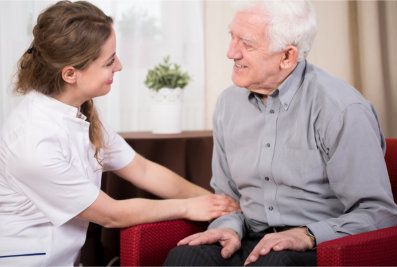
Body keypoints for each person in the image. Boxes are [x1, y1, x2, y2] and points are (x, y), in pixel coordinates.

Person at [0, 1, 240, 265]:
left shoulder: (78, 113)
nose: (120, 66)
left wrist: (219, 205)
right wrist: (189, 207)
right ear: (70, 74)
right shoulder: (32, 142)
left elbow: (142, 169)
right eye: (110, 61)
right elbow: (111, 214)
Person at [163, 0, 397, 266]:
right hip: (249, 237)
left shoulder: (341, 109)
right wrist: (229, 226)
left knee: (275, 264)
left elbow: (378, 212)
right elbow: (227, 196)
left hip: (316, 246)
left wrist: (307, 235)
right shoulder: (227, 104)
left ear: (287, 56)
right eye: (232, 37)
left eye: (247, 43)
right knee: (184, 257)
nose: (231, 52)